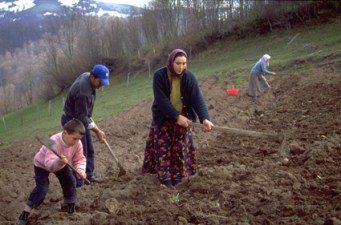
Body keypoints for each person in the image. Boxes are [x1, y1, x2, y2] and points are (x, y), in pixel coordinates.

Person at [142, 48, 214, 187]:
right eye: (178, 63)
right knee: (163, 149)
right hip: (163, 119)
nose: (181, 67)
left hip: (183, 120)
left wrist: (204, 118)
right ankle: (165, 179)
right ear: (171, 62)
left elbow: (197, 98)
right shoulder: (159, 76)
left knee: (180, 149)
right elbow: (161, 100)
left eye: (184, 63)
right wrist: (176, 116)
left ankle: (178, 178)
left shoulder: (189, 77)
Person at [16, 119, 86, 225]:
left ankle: (70, 207)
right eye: (74, 138)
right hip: (42, 165)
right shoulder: (53, 141)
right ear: (65, 133)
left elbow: (80, 159)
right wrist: (59, 161)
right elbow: (49, 164)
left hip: (61, 163)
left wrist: (81, 170)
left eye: (79, 139)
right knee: (42, 188)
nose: (76, 142)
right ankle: (25, 214)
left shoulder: (77, 143)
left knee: (70, 182)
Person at [61, 64, 110, 186]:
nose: (102, 85)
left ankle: (89, 175)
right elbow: (81, 116)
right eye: (100, 82)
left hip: (81, 118)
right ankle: (78, 181)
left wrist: (92, 124)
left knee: (90, 150)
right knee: (80, 153)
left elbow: (85, 114)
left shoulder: (87, 76)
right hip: (72, 121)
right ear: (93, 77)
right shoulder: (84, 92)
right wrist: (98, 131)